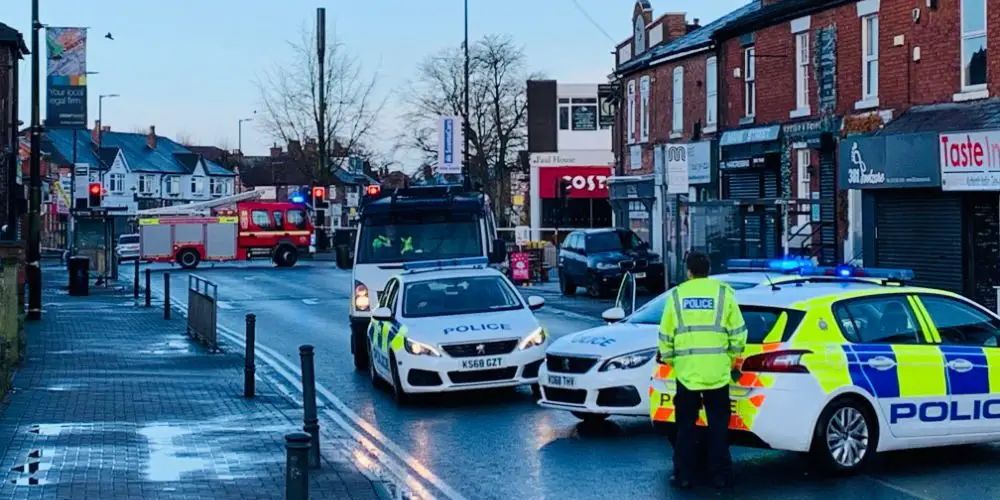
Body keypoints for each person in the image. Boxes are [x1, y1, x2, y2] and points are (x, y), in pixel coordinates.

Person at [658, 251, 746, 490]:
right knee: (718, 428)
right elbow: (738, 334)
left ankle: (684, 475)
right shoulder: (723, 293)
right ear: (709, 270)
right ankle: (720, 476)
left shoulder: (677, 295)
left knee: (685, 427)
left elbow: (666, 335)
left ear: (688, 271)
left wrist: (672, 361)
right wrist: (730, 359)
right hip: (718, 373)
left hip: (687, 374)